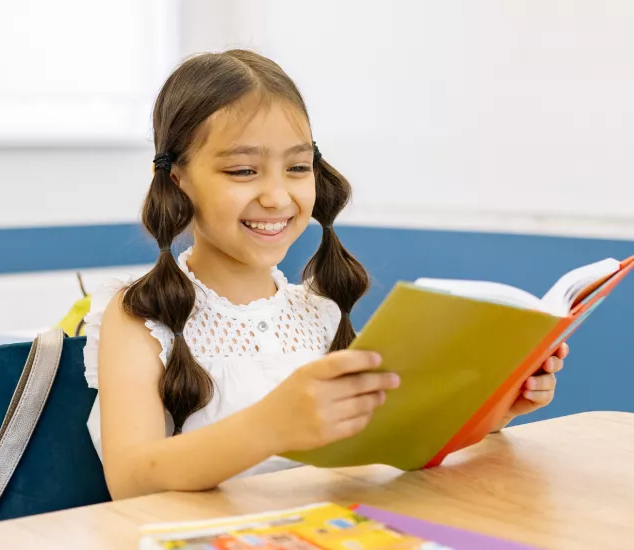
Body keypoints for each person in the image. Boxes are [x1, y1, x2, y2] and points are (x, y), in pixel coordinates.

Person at [85, 49, 567, 501]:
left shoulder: (318, 310)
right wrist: (272, 425)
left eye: (297, 167)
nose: (277, 196)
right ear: (177, 179)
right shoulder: (139, 318)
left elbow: (383, 446)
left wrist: (493, 409)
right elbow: (131, 479)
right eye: (242, 171)